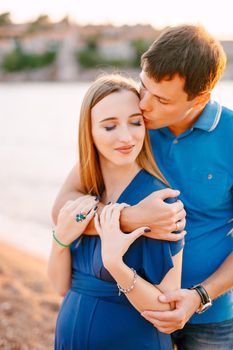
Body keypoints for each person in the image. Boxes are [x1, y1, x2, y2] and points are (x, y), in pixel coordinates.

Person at [52, 25, 233, 349]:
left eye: (161, 99)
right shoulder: (131, 126)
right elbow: (63, 207)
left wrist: (200, 296)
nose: (144, 104)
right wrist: (132, 218)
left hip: (211, 317)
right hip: (135, 306)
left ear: (199, 98)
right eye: (143, 85)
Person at [48, 74, 184, 349]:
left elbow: (167, 309)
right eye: (110, 127)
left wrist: (116, 266)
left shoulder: (159, 203)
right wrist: (60, 240)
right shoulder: (86, 193)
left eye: (136, 122)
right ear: (90, 132)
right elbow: (60, 286)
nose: (126, 136)